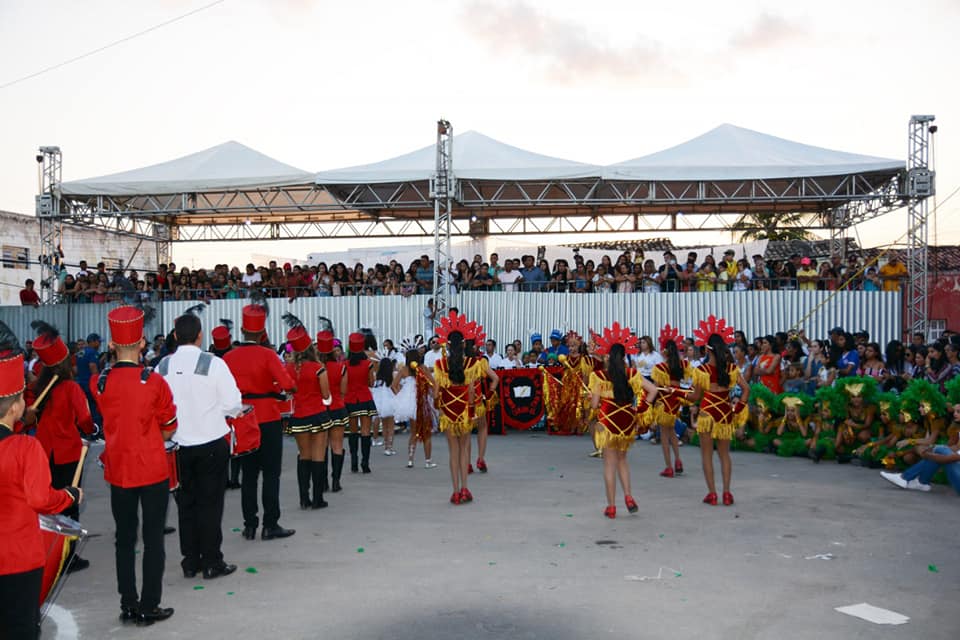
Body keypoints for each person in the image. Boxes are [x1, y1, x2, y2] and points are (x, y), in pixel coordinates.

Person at [90, 306, 178, 626]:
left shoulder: (98, 383)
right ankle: (149, 605)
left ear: (111, 344)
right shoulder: (154, 382)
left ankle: (128, 603)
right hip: (152, 467)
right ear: (142, 343)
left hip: (118, 469)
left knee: (124, 540)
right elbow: (169, 428)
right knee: (153, 539)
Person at [0, 349, 83, 639]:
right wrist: (69, 496)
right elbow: (41, 500)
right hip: (18, 557)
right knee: (21, 629)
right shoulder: (24, 448)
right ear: (15, 407)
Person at [157, 311, 241, 581]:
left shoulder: (162, 366)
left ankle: (190, 561)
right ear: (200, 336)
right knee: (210, 505)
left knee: (186, 505)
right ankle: (212, 561)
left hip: (177, 446)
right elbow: (233, 403)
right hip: (210, 443)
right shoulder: (213, 363)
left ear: (174, 335)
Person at [223, 297, 296, 541]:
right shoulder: (268, 355)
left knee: (249, 475)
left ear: (242, 330)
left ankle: (249, 525)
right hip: (268, 417)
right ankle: (270, 524)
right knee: (271, 474)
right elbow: (287, 384)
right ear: (263, 331)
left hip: (243, 418)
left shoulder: (229, 357)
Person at [29, 321, 96, 573]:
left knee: (49, 504)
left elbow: (29, 418)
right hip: (67, 453)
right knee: (69, 503)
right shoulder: (70, 387)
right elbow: (85, 419)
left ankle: (48, 550)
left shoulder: (38, 388)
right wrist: (92, 430)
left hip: (44, 452)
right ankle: (66, 557)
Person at [588, 322, 656, 518]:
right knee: (623, 460)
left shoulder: (599, 376)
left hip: (609, 422)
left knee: (609, 463)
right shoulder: (632, 374)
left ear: (608, 356)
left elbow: (594, 405)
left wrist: (592, 398)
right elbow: (652, 390)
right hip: (626, 421)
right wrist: (640, 409)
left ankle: (611, 506)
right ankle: (628, 496)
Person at [689, 316, 750, 506]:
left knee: (707, 455)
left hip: (707, 413)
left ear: (707, 349)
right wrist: (738, 409)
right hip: (725, 412)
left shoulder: (701, 370)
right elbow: (746, 389)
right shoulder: (731, 368)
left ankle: (712, 494)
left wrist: (677, 394)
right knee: (724, 454)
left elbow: (695, 396)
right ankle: (727, 493)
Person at [281, 314, 332, 510]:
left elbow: (286, 390)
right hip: (318, 414)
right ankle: (318, 499)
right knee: (319, 455)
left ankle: (304, 498)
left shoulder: (288, 368)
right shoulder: (318, 368)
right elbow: (325, 394)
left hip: (299, 416)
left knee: (304, 456)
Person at [433, 311, 484, 505]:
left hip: (448, 414)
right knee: (464, 451)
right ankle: (465, 489)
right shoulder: (471, 363)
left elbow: (436, 394)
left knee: (453, 452)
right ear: (463, 344)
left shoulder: (440, 364)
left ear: (446, 344)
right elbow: (471, 392)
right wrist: (471, 412)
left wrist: (440, 409)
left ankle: (455, 492)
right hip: (464, 414)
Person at [317, 328, 348, 492]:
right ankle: (336, 481)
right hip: (337, 407)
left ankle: (323, 482)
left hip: (320, 409)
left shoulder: (316, 368)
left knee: (321, 447)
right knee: (337, 445)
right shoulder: (341, 367)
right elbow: (343, 391)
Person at [652, 335, 687, 478]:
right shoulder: (680, 365)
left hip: (664, 402)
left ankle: (669, 467)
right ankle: (678, 461)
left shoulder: (660, 368)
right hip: (675, 402)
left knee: (664, 435)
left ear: (665, 351)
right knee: (671, 431)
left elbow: (656, 387)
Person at [344, 332, 376, 474]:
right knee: (365, 431)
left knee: (353, 431)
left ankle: (354, 461)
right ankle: (365, 462)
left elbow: (343, 384)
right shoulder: (368, 364)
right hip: (364, 398)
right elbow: (371, 383)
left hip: (350, 399)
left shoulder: (344, 365)